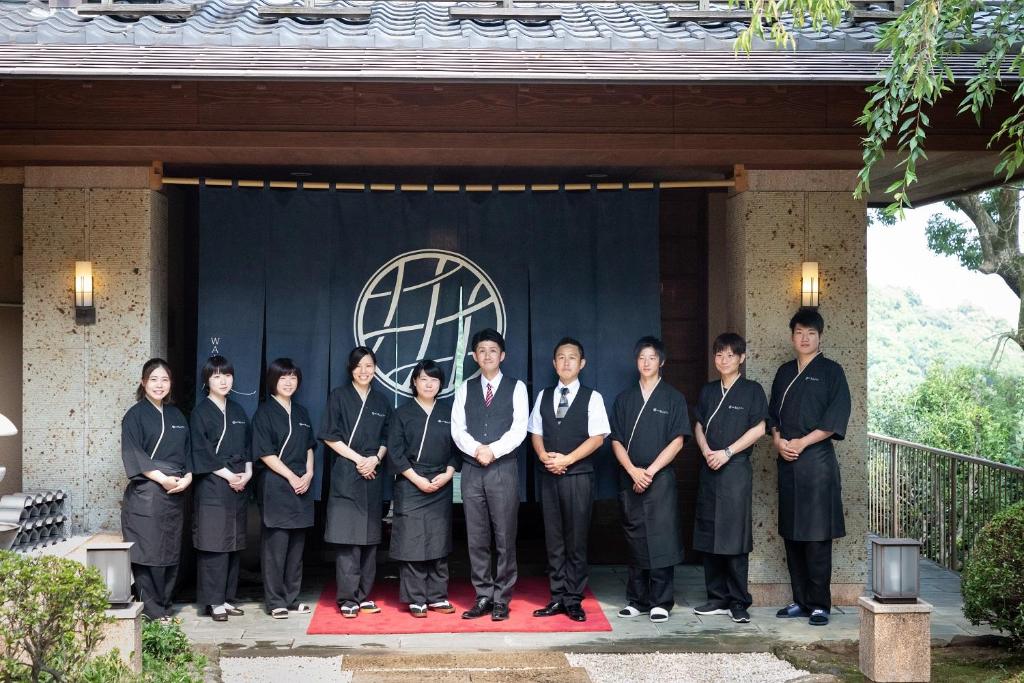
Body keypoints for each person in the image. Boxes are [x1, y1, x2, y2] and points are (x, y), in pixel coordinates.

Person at [769, 308, 851, 627]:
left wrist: (802, 443)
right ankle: (800, 600)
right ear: (792, 337)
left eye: (811, 333)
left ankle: (820, 604)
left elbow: (835, 419)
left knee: (817, 537)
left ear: (820, 337)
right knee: (792, 533)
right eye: (799, 332)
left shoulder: (832, 371)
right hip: (787, 462)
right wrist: (778, 442)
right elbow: (773, 417)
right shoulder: (784, 371)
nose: (804, 338)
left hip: (816, 463)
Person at [609, 336, 691, 624]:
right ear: (636, 362)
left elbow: (678, 441)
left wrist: (650, 471)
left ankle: (661, 601)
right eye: (642, 358)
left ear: (662, 362)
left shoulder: (673, 398)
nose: (646, 363)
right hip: (630, 476)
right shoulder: (624, 399)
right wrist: (632, 470)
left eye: (652, 358)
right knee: (635, 537)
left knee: (661, 538)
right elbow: (616, 440)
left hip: (660, 477)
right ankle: (637, 599)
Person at [528, 337, 609, 623]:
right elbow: (535, 432)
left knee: (576, 538)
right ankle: (557, 596)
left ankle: (574, 599)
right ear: (554, 363)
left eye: (571, 357)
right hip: (549, 476)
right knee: (554, 538)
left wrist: (567, 459)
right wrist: (543, 456)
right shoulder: (543, 395)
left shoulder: (593, 397)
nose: (566, 362)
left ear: (582, 363)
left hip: (578, 477)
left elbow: (598, 438)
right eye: (561, 357)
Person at [450, 328, 529, 621]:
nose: (487, 355)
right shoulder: (465, 389)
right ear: (474, 356)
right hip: (472, 469)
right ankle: (483, 595)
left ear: (502, 355)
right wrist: (476, 450)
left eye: (493, 350)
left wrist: (492, 450)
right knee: (477, 536)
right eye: (481, 350)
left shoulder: (516, 387)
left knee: (505, 536)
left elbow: (519, 428)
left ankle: (502, 597)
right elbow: (457, 429)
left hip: (502, 468)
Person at [691, 333, 768, 624]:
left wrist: (726, 452)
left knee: (734, 536)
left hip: (735, 469)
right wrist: (707, 450)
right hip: (710, 467)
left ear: (742, 358)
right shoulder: (709, 391)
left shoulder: (752, 390)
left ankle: (738, 600)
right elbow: (698, 424)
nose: (724, 360)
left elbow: (760, 428)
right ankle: (716, 597)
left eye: (730, 355)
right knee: (710, 532)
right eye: (719, 355)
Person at [320, 347, 391, 618]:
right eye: (359, 366)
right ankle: (348, 598)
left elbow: (387, 438)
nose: (364, 371)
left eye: (369, 365)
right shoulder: (338, 396)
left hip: (372, 475)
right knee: (349, 541)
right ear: (351, 369)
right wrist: (360, 459)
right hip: (347, 474)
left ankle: (364, 595)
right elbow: (329, 435)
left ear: (376, 368)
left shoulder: (381, 401)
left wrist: (374, 459)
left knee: (370, 540)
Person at [387, 359, 460, 617]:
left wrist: (449, 473)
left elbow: (457, 449)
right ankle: (416, 598)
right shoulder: (402, 414)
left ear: (441, 384)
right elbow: (394, 453)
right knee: (413, 542)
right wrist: (416, 479)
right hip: (410, 483)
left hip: (441, 482)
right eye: (424, 379)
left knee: (439, 540)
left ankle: (438, 596)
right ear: (414, 382)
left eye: (434, 379)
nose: (429, 384)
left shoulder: (448, 412)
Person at [121, 358, 192, 621]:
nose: (159, 385)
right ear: (143, 383)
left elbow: (189, 452)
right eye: (154, 379)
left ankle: (165, 604)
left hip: (176, 491)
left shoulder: (177, 415)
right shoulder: (134, 415)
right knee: (148, 551)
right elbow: (133, 454)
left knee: (170, 550)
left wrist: (188, 478)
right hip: (147, 492)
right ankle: (152, 610)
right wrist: (162, 479)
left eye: (164, 379)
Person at [189, 355, 252, 622]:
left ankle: (227, 598)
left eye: (227, 375)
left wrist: (247, 473)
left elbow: (249, 446)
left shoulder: (238, 411)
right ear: (207, 381)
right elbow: (201, 452)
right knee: (214, 544)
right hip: (214, 484)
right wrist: (229, 476)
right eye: (216, 376)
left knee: (233, 543)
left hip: (238, 484)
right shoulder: (200, 412)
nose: (223, 380)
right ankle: (213, 601)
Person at [252, 358, 316, 619]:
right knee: (276, 549)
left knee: (296, 549)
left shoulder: (301, 412)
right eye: (283, 378)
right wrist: (291, 476)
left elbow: (310, 446)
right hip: (277, 486)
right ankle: (275, 600)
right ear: (273, 382)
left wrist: (309, 473)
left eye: (293, 377)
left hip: (302, 486)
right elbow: (265, 453)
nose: (288, 382)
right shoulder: (264, 412)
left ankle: (291, 597)